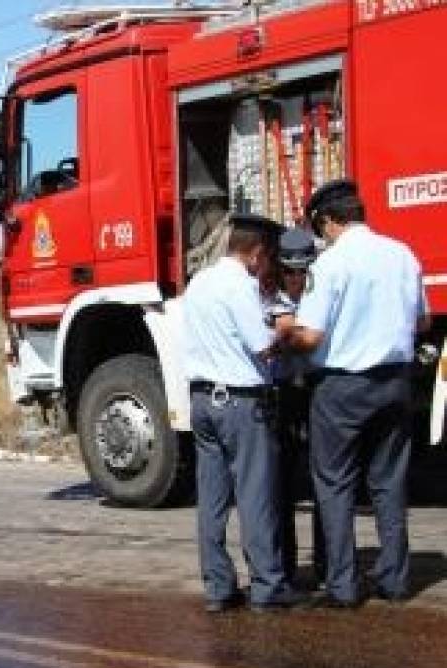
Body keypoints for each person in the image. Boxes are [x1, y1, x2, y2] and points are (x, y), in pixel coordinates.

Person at [279, 179, 430, 606]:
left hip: (343, 388)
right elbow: (421, 323)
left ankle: (342, 586)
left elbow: (311, 336)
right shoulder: (403, 254)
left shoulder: (328, 266)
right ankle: (397, 581)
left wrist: (285, 337)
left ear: (328, 221)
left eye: (320, 227)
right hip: (396, 382)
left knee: (334, 484)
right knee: (389, 483)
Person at [183, 212, 298, 613]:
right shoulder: (241, 286)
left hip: (201, 400)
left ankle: (218, 587)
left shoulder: (199, 281)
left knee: (211, 500)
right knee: (255, 494)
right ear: (258, 253)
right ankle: (267, 585)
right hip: (240, 403)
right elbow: (260, 345)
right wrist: (284, 334)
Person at [267, 228, 326, 587]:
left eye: (301, 272)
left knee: (325, 483)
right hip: (286, 395)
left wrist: (291, 335)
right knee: (282, 485)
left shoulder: (322, 295)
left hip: (319, 393)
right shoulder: (273, 299)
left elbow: (290, 336)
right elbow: (282, 334)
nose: (295, 279)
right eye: (289, 272)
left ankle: (326, 564)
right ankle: (285, 567)